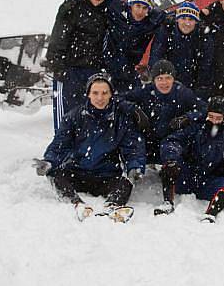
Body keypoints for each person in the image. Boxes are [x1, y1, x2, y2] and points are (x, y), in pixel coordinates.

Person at [32, 73, 145, 222]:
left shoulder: (121, 119)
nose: (100, 98)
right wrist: (49, 161)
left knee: (126, 183)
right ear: (88, 94)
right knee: (56, 175)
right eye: (95, 93)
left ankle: (113, 206)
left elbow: (132, 148)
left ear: (111, 94)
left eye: (104, 93)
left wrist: (135, 167)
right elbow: (60, 144)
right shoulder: (74, 116)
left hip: (107, 176)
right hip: (77, 173)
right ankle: (76, 203)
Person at [123, 60, 207, 214]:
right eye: (159, 78)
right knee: (134, 140)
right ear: (153, 80)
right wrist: (135, 110)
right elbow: (119, 100)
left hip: (172, 140)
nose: (164, 82)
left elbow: (203, 109)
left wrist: (187, 117)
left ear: (173, 78)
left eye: (168, 78)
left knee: (170, 149)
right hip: (148, 138)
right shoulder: (145, 91)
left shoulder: (183, 93)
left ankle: (168, 199)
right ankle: (128, 181)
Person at [159, 96, 224, 223]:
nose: (214, 121)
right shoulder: (196, 128)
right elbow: (172, 141)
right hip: (189, 176)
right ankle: (167, 202)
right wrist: (172, 157)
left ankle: (211, 214)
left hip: (212, 180)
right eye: (211, 117)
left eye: (218, 118)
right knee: (170, 166)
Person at [45, 0, 111, 132]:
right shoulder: (73, 8)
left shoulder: (106, 12)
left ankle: (82, 150)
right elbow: (58, 37)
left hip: (92, 70)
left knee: (88, 112)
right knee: (67, 113)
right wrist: (57, 65)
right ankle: (61, 150)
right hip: (70, 68)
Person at [103, 0, 166, 92]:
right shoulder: (117, 10)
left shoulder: (152, 21)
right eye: (137, 6)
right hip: (107, 68)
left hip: (129, 72)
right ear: (131, 5)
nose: (140, 11)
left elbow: (173, 17)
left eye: (145, 8)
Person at [150, 1, 214, 99]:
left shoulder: (203, 37)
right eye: (183, 18)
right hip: (167, 84)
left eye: (191, 19)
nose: (187, 23)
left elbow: (205, 68)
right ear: (177, 19)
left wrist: (196, 95)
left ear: (196, 21)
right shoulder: (166, 31)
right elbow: (156, 59)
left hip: (192, 86)